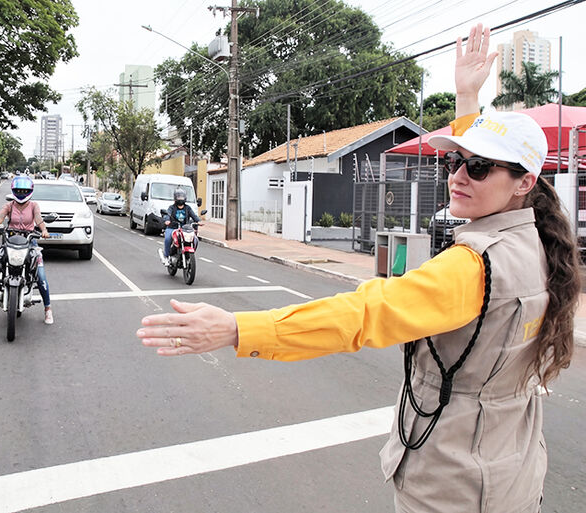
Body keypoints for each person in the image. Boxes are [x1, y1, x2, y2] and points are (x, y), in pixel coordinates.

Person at [136, 24, 580, 512]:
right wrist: (467, 99)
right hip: (510, 472)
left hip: (453, 488)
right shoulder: (540, 241)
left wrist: (236, 328)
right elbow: (489, 165)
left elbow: (363, 314)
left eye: (476, 168)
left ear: (524, 183)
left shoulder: (473, 267)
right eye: (454, 162)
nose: (457, 176)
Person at [0, 175, 54, 324]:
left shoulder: (34, 206)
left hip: (29, 242)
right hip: (10, 240)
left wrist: (44, 230)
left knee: (41, 276)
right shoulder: (9, 206)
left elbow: (39, 219)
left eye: (24, 191)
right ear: (14, 191)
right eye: (19, 190)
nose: (21, 193)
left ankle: (47, 309)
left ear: (30, 191)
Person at [157, 188, 201, 266]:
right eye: (178, 197)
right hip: (172, 228)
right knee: (167, 239)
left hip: (185, 228)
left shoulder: (187, 208)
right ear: (175, 198)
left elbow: (194, 216)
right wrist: (167, 220)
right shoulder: (172, 207)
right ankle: (166, 256)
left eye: (182, 196)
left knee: (195, 239)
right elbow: (167, 214)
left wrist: (198, 221)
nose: (180, 198)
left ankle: (189, 255)